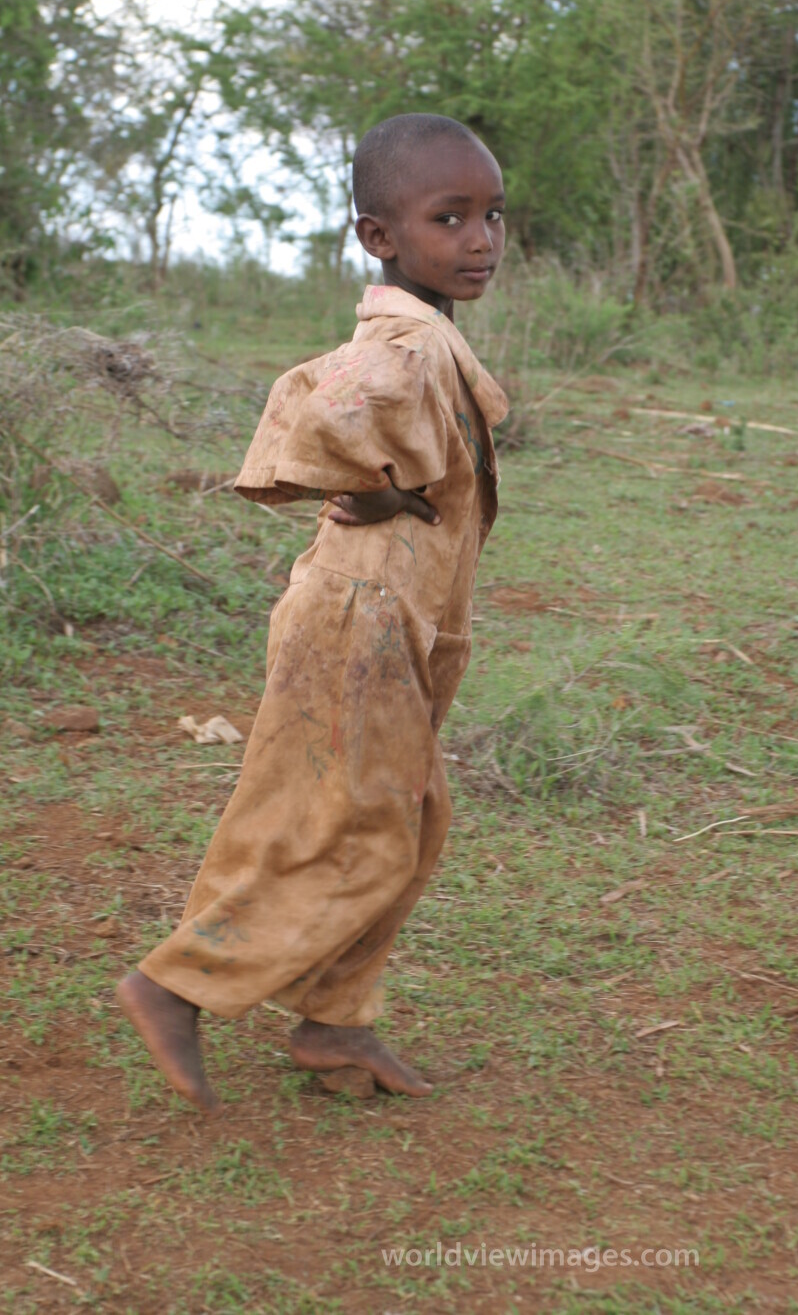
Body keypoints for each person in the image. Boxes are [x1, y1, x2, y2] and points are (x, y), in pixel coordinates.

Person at [117, 114, 509, 1114]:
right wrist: (368, 485)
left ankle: (335, 1019)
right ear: (378, 236)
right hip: (362, 617)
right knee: (361, 825)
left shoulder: (423, 334)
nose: (479, 240)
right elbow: (329, 406)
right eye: (449, 218)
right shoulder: (407, 341)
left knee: (403, 819)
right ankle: (176, 985)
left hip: (395, 616)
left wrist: (384, 488)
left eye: (491, 217)